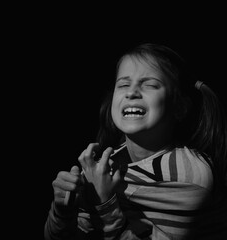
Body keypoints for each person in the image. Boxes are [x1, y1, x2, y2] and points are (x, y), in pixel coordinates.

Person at [44, 43, 227, 240]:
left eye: (149, 84)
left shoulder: (188, 175)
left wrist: (105, 203)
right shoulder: (103, 167)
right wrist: (63, 211)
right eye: (123, 84)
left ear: (179, 107)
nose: (131, 93)